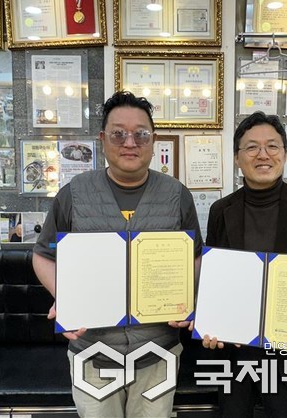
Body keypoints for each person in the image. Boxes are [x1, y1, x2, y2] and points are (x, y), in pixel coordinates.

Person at [33, 90, 202, 418]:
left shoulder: (177, 195)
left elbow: (194, 256)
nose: (130, 143)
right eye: (118, 134)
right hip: (92, 353)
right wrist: (64, 296)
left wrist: (189, 297)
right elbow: (42, 256)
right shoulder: (74, 194)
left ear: (153, 140)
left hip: (158, 352)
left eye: (141, 134)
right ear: (102, 139)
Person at [201, 111, 287, 417]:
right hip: (235, 348)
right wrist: (209, 323)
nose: (263, 155)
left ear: (285, 154)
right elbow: (215, 278)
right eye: (252, 147)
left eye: (272, 146)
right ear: (237, 158)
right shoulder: (221, 210)